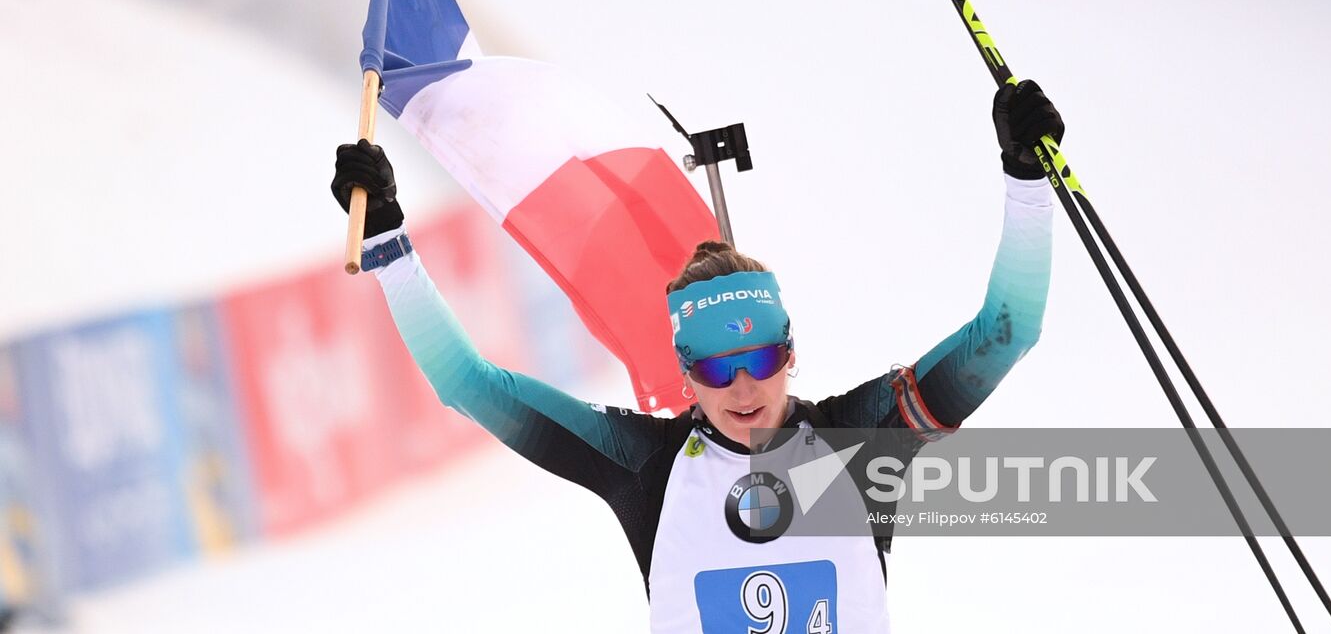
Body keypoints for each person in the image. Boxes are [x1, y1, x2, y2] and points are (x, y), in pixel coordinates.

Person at [331, 80, 1063, 632]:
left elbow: (1008, 330)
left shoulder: (854, 444)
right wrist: (389, 243)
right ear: (685, 376)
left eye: (758, 362)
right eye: (715, 369)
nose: (741, 387)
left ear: (790, 354)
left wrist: (1025, 177)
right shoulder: (645, 463)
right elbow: (468, 384)